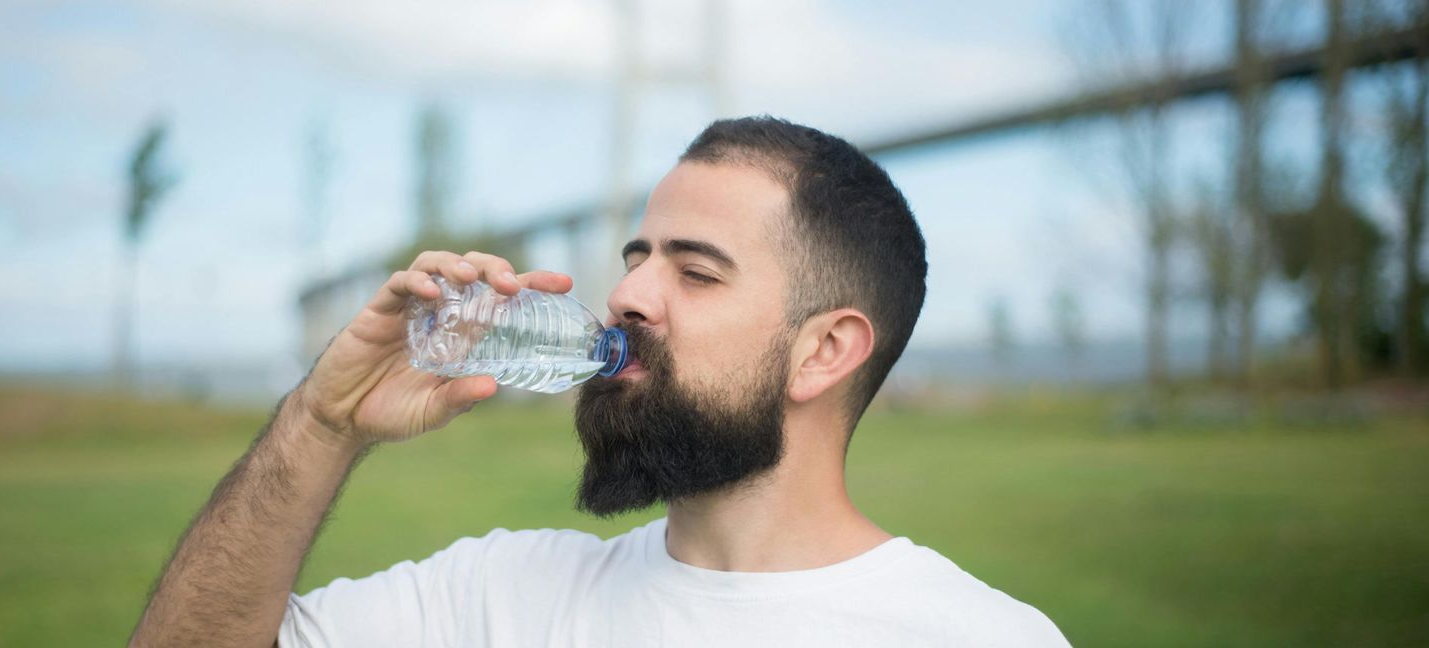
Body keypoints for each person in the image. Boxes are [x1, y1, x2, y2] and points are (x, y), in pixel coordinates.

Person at [130, 116, 1070, 647]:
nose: (624, 295)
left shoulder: (979, 636)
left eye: (695, 272)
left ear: (825, 351)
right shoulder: (498, 594)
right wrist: (321, 423)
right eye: (636, 258)